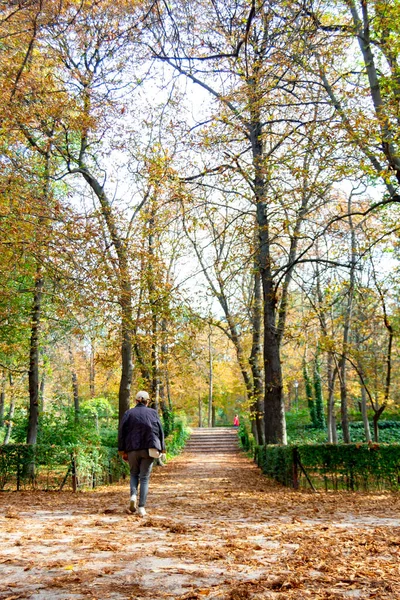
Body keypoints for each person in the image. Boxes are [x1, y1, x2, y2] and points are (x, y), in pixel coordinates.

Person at [118, 390, 166, 516]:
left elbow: (122, 432)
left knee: (134, 473)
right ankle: (141, 508)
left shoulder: (129, 413)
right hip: (149, 449)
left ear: (136, 401)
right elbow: (160, 430)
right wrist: (162, 448)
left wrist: (122, 450)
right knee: (144, 478)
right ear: (147, 401)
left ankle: (133, 495)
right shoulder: (153, 413)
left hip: (132, 449)